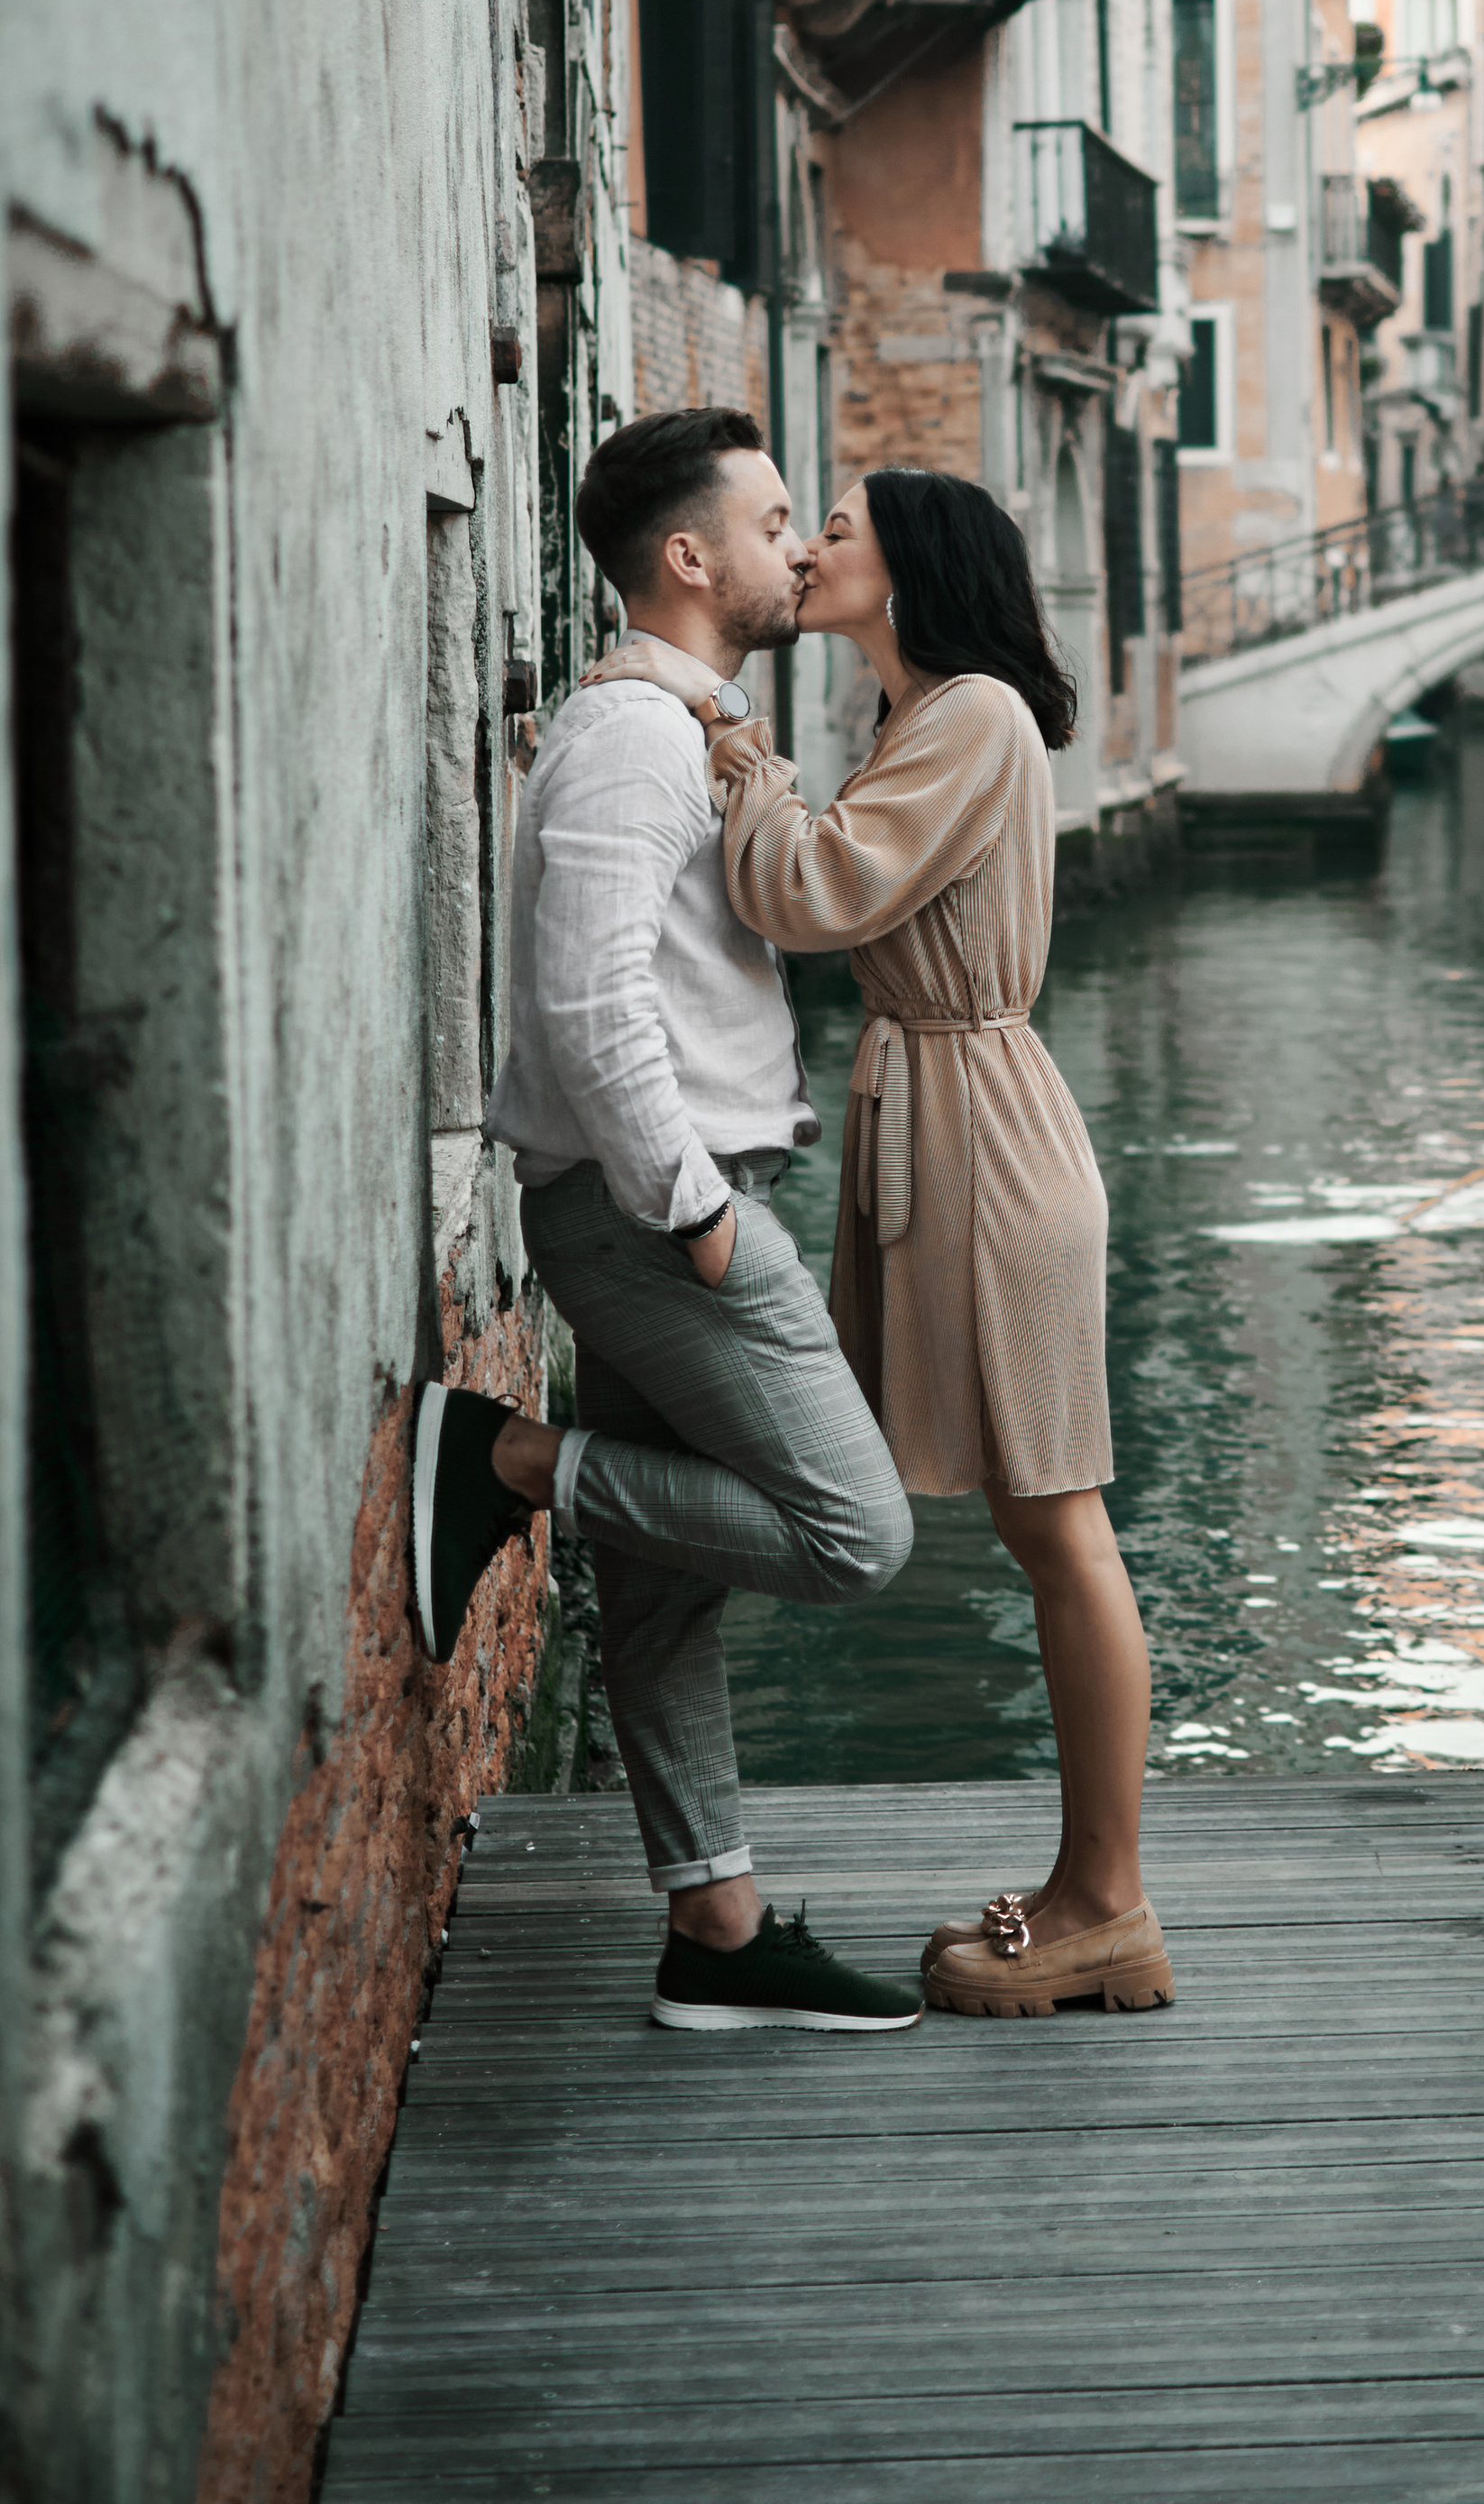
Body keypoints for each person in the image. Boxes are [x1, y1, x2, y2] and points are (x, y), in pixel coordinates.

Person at [599, 464, 1172, 2022]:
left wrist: (739, 755)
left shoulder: (973, 712)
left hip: (984, 1132)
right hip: (939, 1115)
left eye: (833, 528)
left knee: (1060, 1526)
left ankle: (1105, 1903)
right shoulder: (916, 721)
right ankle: (1090, 1893)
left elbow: (813, 889)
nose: (807, 550)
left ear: (909, 565)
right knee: (1029, 1524)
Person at [408, 408, 923, 2035]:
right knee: (860, 1533)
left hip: (657, 1205)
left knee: (666, 1585)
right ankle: (501, 1462)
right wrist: (699, 1215)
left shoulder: (685, 721)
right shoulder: (634, 738)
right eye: (776, 523)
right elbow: (584, 997)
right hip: (661, 1216)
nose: (802, 547)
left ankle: (715, 1925)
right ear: (689, 557)